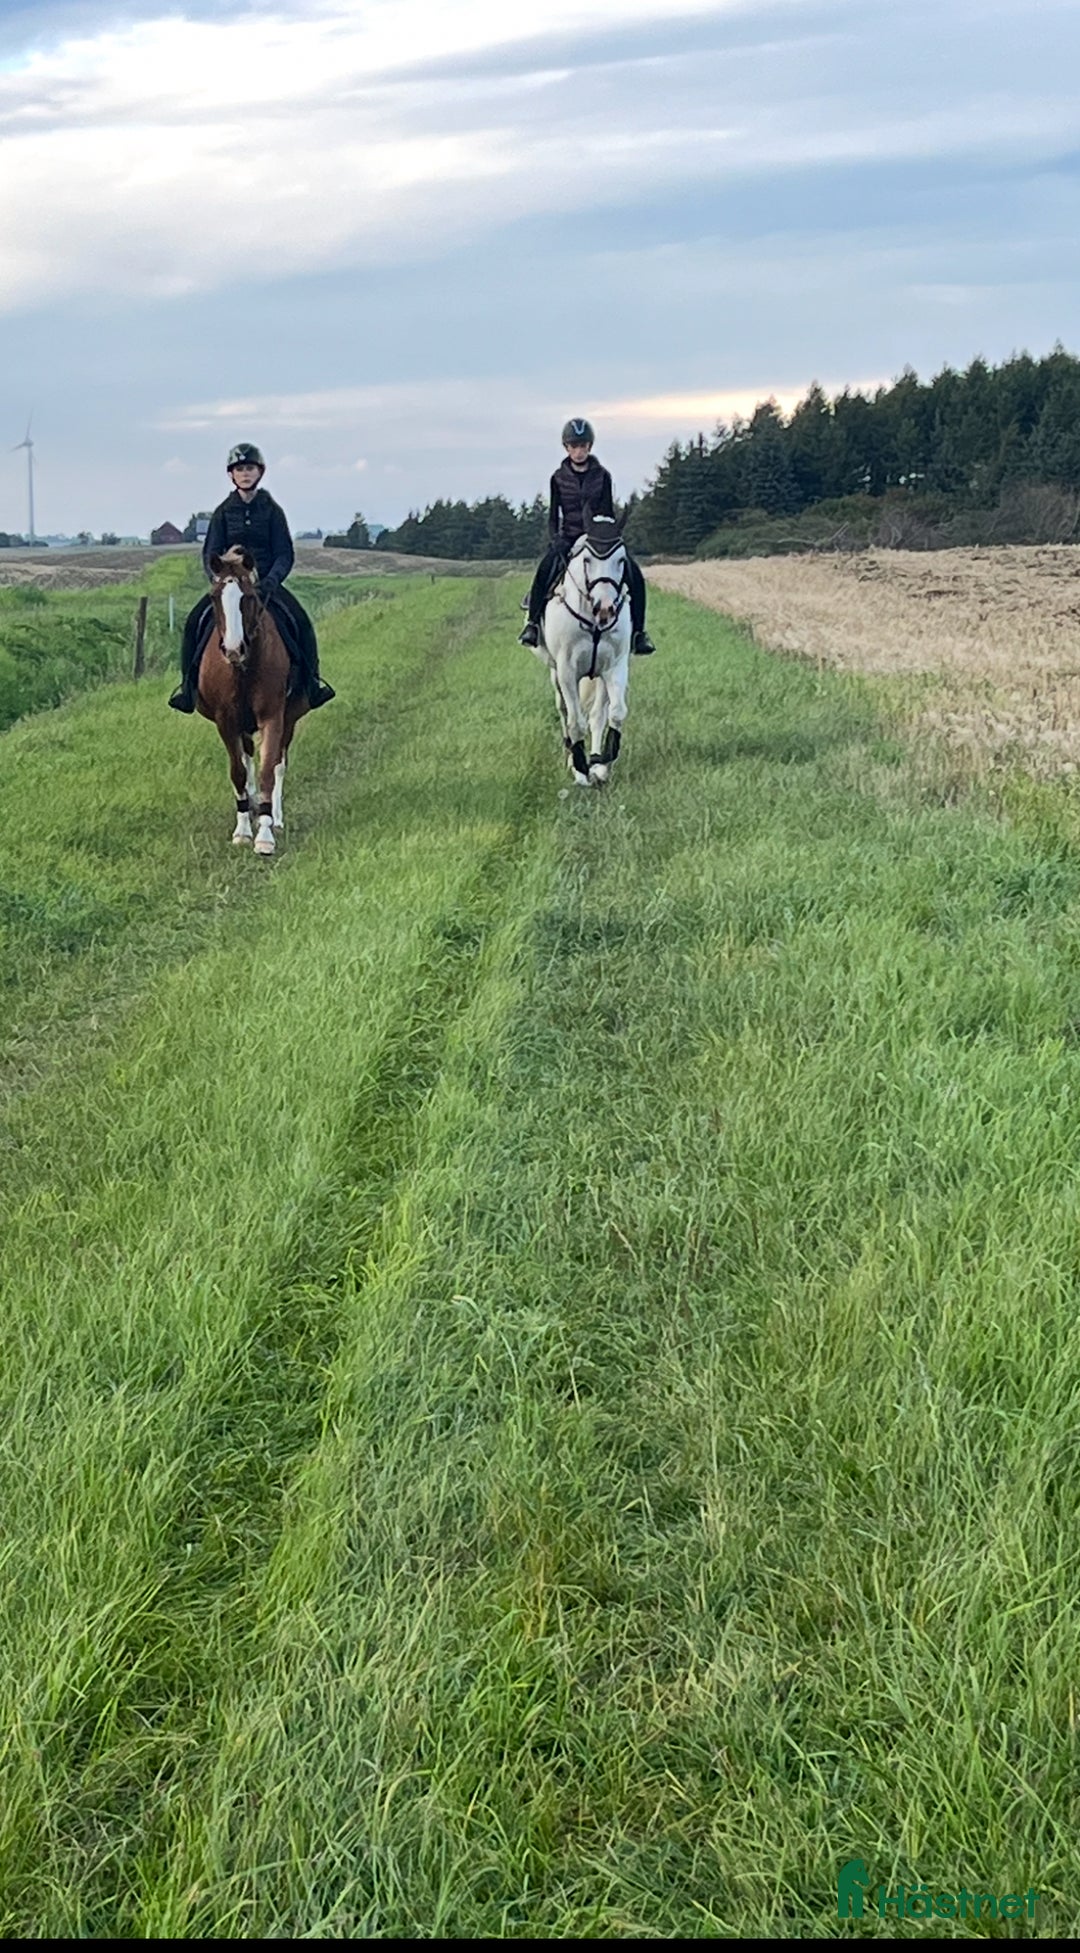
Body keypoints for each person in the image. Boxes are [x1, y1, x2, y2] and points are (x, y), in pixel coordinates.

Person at [168, 443, 335, 712]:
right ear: (231, 475)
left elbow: (284, 553)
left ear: (260, 472)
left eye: (249, 468)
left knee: (301, 621)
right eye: (239, 469)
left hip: (266, 585)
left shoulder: (272, 511)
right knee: (192, 623)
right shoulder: (223, 512)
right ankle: (188, 689)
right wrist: (219, 579)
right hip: (231, 586)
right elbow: (211, 551)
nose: (245, 473)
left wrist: (271, 580)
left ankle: (312, 685)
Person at [518, 418, 656, 654]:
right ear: (566, 448)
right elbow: (553, 514)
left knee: (634, 575)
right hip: (570, 536)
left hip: (598, 538)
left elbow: (608, 512)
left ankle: (639, 634)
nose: (579, 451)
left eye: (583, 446)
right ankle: (532, 625)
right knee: (545, 569)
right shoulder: (557, 478)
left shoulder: (602, 476)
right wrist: (556, 539)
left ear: (590, 447)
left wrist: (608, 536)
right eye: (574, 446)